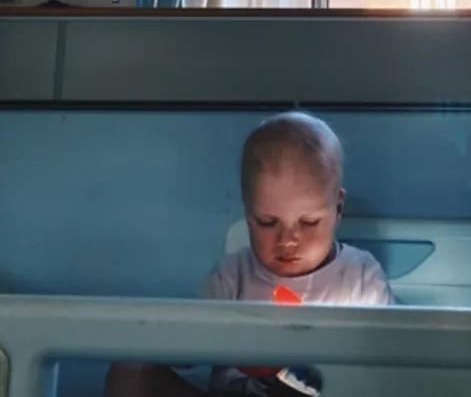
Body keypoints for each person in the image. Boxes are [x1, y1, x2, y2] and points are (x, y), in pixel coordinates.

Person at [104, 112, 395, 397]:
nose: (288, 240)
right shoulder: (232, 276)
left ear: (338, 208)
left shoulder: (360, 277)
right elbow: (183, 350)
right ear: (247, 212)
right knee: (130, 367)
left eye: (308, 223)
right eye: (268, 223)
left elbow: (388, 368)